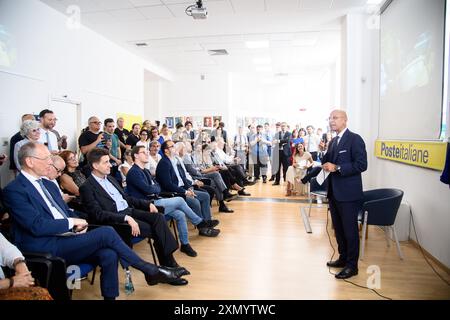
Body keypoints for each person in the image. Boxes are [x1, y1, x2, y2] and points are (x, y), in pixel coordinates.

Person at [2, 142, 187, 300]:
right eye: (46, 158)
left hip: (66, 236)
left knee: (108, 253)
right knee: (106, 232)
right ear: (30, 161)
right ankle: (149, 270)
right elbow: (36, 226)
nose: (51, 162)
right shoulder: (15, 190)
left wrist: (79, 224)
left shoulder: (47, 184)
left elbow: (64, 212)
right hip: (43, 245)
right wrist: (71, 223)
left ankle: (111, 297)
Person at [78, 148, 189, 281]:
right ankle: (166, 269)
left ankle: (168, 265)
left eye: (109, 161)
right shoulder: (87, 187)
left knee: (158, 217)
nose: (110, 165)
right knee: (154, 229)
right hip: (117, 220)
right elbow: (98, 214)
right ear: (95, 166)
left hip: (129, 211)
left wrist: (147, 204)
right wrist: (125, 218)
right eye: (106, 162)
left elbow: (127, 198)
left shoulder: (111, 179)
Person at [126, 146, 220, 256]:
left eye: (146, 152)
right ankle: (200, 222)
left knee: (180, 214)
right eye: (143, 152)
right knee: (180, 200)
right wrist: (154, 188)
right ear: (136, 156)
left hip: (155, 200)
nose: (147, 154)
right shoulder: (133, 172)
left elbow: (157, 187)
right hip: (146, 206)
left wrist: (154, 188)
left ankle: (185, 245)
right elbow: (148, 189)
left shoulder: (145, 171)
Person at [321, 110, 367, 279]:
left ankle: (352, 266)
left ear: (345, 120)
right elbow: (326, 162)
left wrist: (338, 168)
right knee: (339, 230)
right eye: (330, 118)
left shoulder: (355, 139)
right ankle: (343, 258)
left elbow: (362, 165)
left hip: (348, 195)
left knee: (350, 231)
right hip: (334, 193)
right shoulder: (333, 141)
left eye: (335, 118)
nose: (332, 121)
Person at [156, 141, 220, 230]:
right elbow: (168, 185)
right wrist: (185, 192)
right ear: (166, 150)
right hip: (173, 192)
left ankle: (207, 222)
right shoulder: (164, 163)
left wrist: (189, 188)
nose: (175, 148)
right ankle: (202, 228)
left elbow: (182, 178)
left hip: (182, 188)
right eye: (172, 146)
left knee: (205, 195)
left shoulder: (174, 160)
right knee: (195, 202)